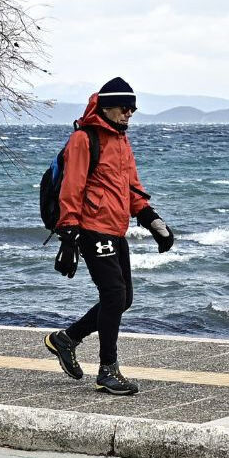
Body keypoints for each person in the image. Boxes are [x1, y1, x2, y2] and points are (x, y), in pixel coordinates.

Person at [44, 77, 175, 395]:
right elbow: (72, 188)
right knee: (114, 295)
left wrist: (152, 220)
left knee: (123, 298)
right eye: (124, 107)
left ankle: (67, 338)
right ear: (106, 107)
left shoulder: (121, 141)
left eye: (133, 108)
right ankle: (107, 370)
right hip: (91, 228)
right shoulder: (84, 139)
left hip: (116, 228)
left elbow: (131, 189)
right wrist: (69, 233)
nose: (129, 113)